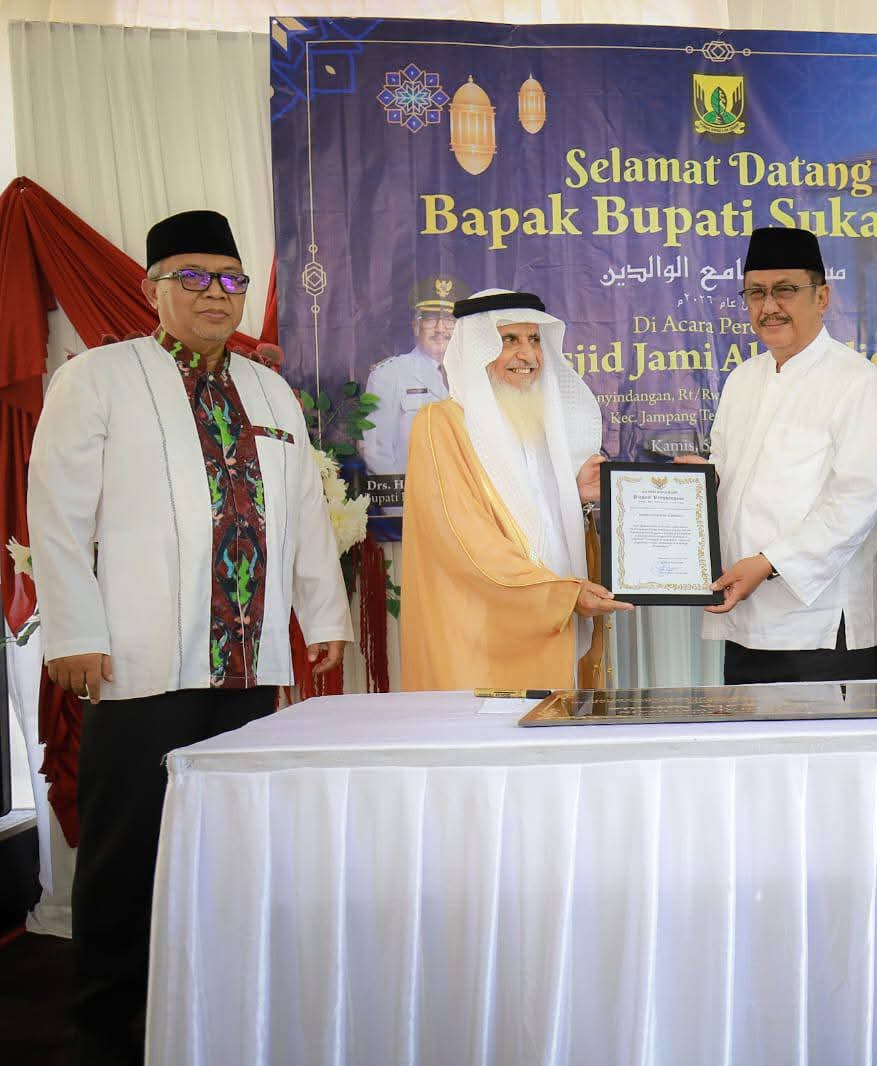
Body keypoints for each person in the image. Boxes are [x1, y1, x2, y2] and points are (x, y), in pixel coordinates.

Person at [27, 209, 353, 1064]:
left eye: (231, 279)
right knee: (127, 849)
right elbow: (56, 515)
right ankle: (105, 1027)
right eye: (195, 277)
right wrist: (73, 630)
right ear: (152, 289)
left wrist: (324, 615)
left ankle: (216, 1008)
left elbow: (303, 514)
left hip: (246, 665)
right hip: (141, 661)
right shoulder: (100, 377)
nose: (217, 294)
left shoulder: (270, 391)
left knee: (230, 845)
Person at [693, 227, 877, 684]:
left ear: (822, 297)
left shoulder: (859, 383)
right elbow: (732, 475)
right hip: (744, 616)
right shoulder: (742, 380)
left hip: (822, 627)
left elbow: (855, 504)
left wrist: (768, 562)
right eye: (756, 293)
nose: (769, 306)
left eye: (785, 290)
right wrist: (699, 483)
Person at [399, 289, 630, 691]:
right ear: (478, 349)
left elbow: (532, 519)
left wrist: (573, 497)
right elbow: (464, 539)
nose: (528, 354)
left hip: (554, 625)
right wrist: (562, 596)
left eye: (534, 339)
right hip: (482, 637)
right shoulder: (442, 424)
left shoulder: (539, 427)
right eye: (509, 340)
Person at [361, 273, 463, 478]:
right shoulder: (389, 375)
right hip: (412, 493)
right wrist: (402, 498)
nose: (440, 328)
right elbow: (376, 452)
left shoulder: (473, 375)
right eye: (431, 319)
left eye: (449, 320)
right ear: (416, 326)